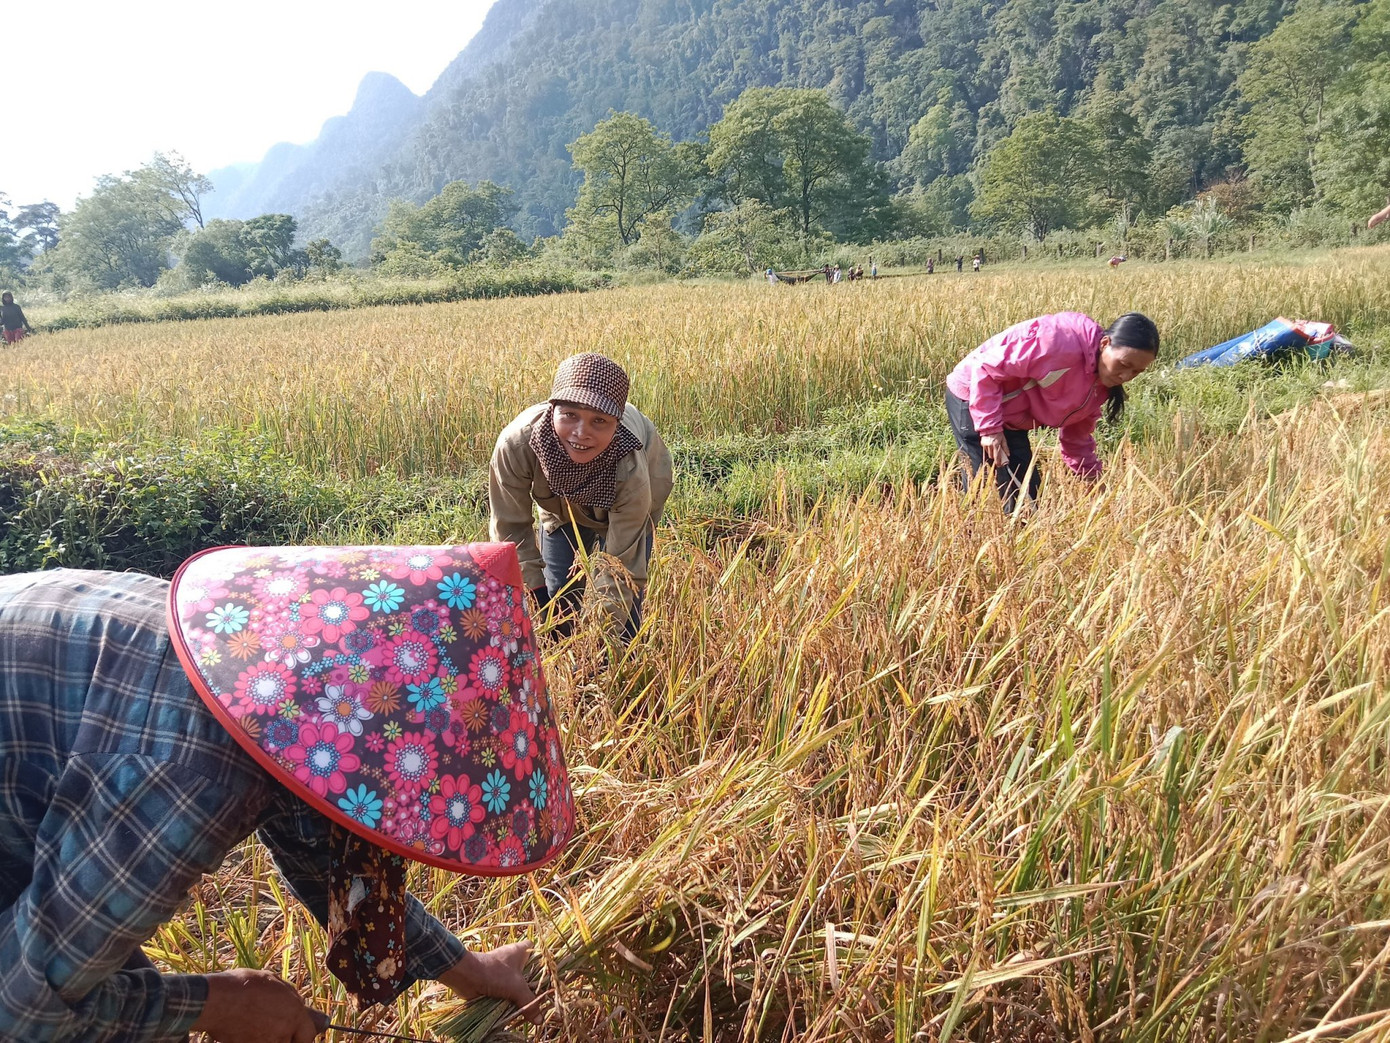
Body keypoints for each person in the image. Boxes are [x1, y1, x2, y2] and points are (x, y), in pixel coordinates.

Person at [0, 546, 577, 1042]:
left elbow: (326, 861)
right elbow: (21, 1011)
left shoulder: (283, 681)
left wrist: (472, 973)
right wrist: (222, 1004)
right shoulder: (194, 778)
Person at [490, 352, 673, 642]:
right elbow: (510, 530)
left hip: (631, 498)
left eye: (599, 421)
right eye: (570, 415)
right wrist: (536, 597)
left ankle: (620, 663)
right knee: (559, 595)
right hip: (559, 509)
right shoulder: (518, 444)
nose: (580, 432)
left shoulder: (630, 465)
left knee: (624, 605)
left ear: (617, 424)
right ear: (552, 410)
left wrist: (600, 643)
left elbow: (621, 565)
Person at [944, 311, 1160, 513]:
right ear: (1105, 344)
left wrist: (1095, 484)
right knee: (981, 484)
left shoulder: (1099, 388)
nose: (1126, 376)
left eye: (1137, 371)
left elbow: (1077, 439)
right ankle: (969, 540)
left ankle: (1016, 547)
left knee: (1026, 496)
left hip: (1012, 417)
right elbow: (986, 369)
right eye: (1123, 364)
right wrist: (990, 429)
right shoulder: (1058, 343)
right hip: (975, 392)